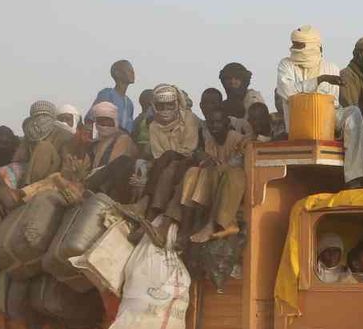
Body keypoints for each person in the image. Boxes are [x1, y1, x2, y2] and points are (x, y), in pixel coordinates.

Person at [274, 25, 363, 188]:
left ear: (313, 46)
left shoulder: (331, 68)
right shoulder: (286, 65)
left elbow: (333, 103)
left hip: (326, 119)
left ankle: (354, 177)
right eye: (294, 43)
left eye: (299, 45)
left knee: (353, 113)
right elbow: (287, 92)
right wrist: (319, 80)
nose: (294, 47)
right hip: (299, 121)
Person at [174, 101, 248, 246]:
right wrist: (205, 159)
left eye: (218, 122)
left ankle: (211, 224)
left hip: (236, 180)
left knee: (218, 172)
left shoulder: (237, 139)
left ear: (227, 123)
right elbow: (209, 162)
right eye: (211, 123)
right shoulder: (209, 141)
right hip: (216, 178)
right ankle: (186, 226)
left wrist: (216, 165)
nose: (214, 126)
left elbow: (236, 164)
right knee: (193, 172)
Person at [145, 84, 203, 222]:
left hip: (189, 162)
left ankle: (147, 203)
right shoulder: (153, 126)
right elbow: (158, 154)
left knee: (170, 160)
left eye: (169, 105)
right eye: (161, 106)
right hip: (165, 164)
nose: (165, 110)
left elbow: (189, 148)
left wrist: (171, 155)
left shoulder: (189, 118)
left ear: (177, 104)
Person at [82, 101, 140, 201]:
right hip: (93, 181)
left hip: (115, 185)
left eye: (108, 121)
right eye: (101, 122)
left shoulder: (123, 139)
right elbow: (85, 169)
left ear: (115, 121)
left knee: (121, 162)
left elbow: (113, 165)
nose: (104, 125)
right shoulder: (93, 145)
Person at [19, 100, 80, 186]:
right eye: (37, 116)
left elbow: (67, 161)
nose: (41, 119)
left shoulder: (63, 134)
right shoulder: (29, 135)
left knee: (44, 146)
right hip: (30, 172)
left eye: (44, 116)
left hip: (55, 173)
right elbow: (20, 158)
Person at [92, 59, 137, 134]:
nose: (133, 73)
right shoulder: (107, 94)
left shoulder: (129, 103)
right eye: (129, 70)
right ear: (117, 73)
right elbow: (90, 118)